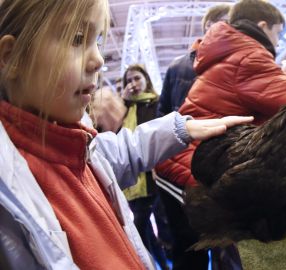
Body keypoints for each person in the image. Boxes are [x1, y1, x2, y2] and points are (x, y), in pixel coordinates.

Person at [0, 1, 252, 269]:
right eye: (76, 39)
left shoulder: (74, 144)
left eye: (97, 41)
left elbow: (114, 152)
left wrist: (181, 128)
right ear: (10, 58)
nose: (98, 59)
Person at [155, 0, 286, 269]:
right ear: (264, 26)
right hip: (190, 166)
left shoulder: (233, 52)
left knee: (202, 255)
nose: (279, 41)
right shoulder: (247, 56)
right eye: (279, 33)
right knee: (202, 255)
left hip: (186, 159)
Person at [120, 64, 171, 270]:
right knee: (142, 229)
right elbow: (116, 136)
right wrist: (122, 102)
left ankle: (165, 263)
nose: (133, 84)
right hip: (135, 180)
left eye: (137, 78)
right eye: (129, 81)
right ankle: (158, 266)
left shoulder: (157, 103)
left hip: (158, 176)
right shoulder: (125, 109)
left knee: (163, 224)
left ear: (146, 80)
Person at [157, 4, 230, 117]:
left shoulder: (238, 63)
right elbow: (163, 113)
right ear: (209, 25)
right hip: (185, 132)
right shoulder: (176, 66)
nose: (233, 29)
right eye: (227, 22)